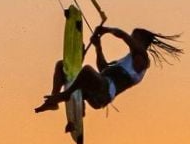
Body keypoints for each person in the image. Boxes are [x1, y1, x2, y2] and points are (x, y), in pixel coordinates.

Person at [34, 25, 182, 113]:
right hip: (96, 87)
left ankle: (64, 96)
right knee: (61, 66)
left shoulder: (143, 58)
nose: (131, 40)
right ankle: (55, 100)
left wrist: (107, 30)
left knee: (86, 70)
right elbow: (103, 68)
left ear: (141, 41)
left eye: (134, 38)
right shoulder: (126, 61)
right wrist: (98, 46)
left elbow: (123, 35)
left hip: (102, 95)